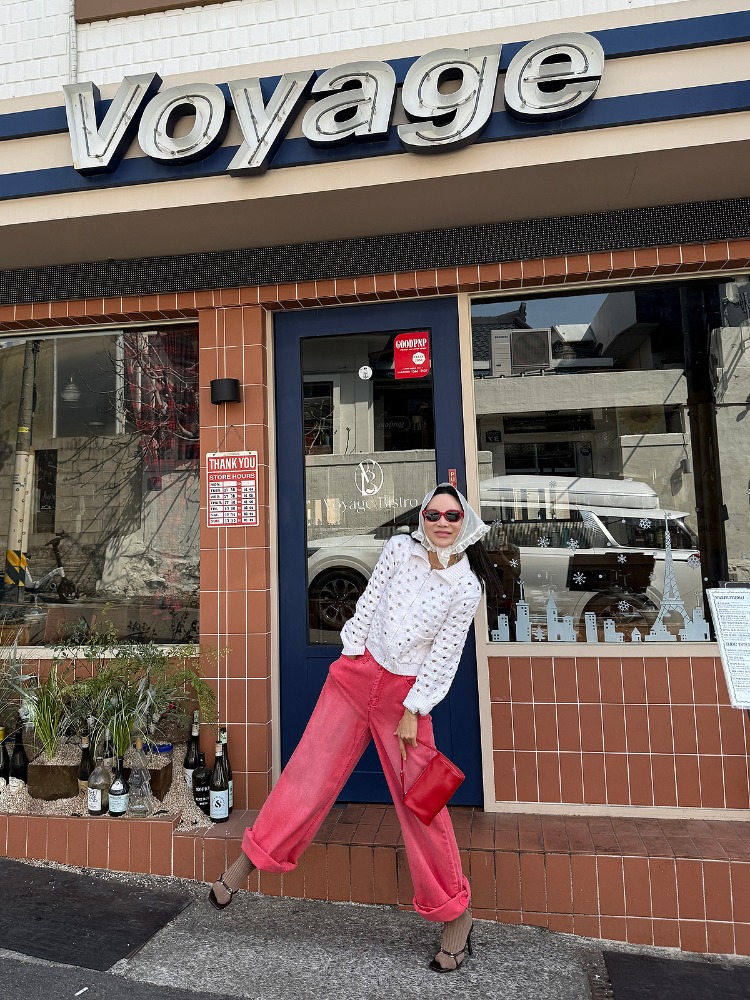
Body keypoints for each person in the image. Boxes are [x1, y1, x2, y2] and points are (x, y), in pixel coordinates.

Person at [208, 483, 503, 972]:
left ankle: (456, 914)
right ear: (422, 518)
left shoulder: (466, 587)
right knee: (308, 775)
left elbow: (445, 655)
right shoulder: (399, 550)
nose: (442, 523)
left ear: (465, 523)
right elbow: (367, 604)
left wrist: (414, 708)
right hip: (357, 675)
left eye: (452, 516)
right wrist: (350, 656)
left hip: (405, 698)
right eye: (433, 514)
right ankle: (245, 865)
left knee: (422, 804)